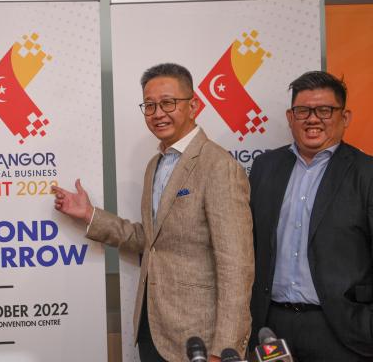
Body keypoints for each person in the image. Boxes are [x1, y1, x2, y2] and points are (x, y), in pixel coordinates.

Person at [52, 63, 254, 361]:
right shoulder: (155, 165)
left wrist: (225, 349)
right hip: (152, 329)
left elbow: (236, 266)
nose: (158, 113)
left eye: (168, 103)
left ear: (193, 106)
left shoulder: (218, 166)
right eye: (150, 105)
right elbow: (151, 240)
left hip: (200, 338)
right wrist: (89, 214)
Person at [249, 71, 373, 361]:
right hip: (272, 326)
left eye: (325, 110)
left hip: (343, 331)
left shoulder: (366, 173)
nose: (312, 119)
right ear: (290, 117)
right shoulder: (265, 167)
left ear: (345, 117)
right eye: (303, 110)